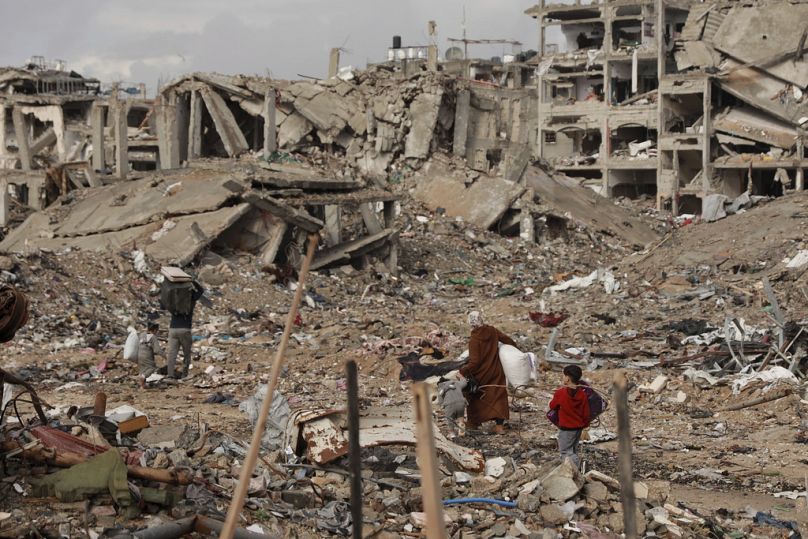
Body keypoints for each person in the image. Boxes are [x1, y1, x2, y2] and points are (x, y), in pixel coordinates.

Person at [459, 311, 515, 435]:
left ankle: (474, 422)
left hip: (481, 374)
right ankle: (499, 427)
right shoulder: (492, 331)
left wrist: (462, 371)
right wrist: (511, 350)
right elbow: (507, 340)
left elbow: (475, 362)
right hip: (496, 370)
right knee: (498, 395)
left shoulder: (474, 339)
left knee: (475, 396)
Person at [548, 365, 591, 468]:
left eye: (564, 376)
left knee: (565, 452)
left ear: (567, 378)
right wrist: (584, 425)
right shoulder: (582, 394)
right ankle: (576, 468)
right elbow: (586, 413)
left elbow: (552, 406)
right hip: (578, 428)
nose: (563, 378)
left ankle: (578, 467)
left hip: (566, 429)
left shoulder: (561, 393)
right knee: (572, 450)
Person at [166, 281, 204, 379]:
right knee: (186, 353)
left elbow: (166, 299)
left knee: (172, 354)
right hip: (185, 329)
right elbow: (201, 290)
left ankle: (170, 374)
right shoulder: (191, 298)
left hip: (173, 329)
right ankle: (184, 374)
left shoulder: (174, 298)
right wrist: (192, 281)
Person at [137, 322, 163, 389]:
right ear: (154, 330)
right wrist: (164, 356)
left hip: (139, 354)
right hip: (147, 355)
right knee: (152, 367)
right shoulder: (153, 337)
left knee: (143, 369)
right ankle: (143, 377)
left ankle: (142, 386)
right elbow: (157, 350)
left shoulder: (141, 334)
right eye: (157, 330)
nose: (157, 332)